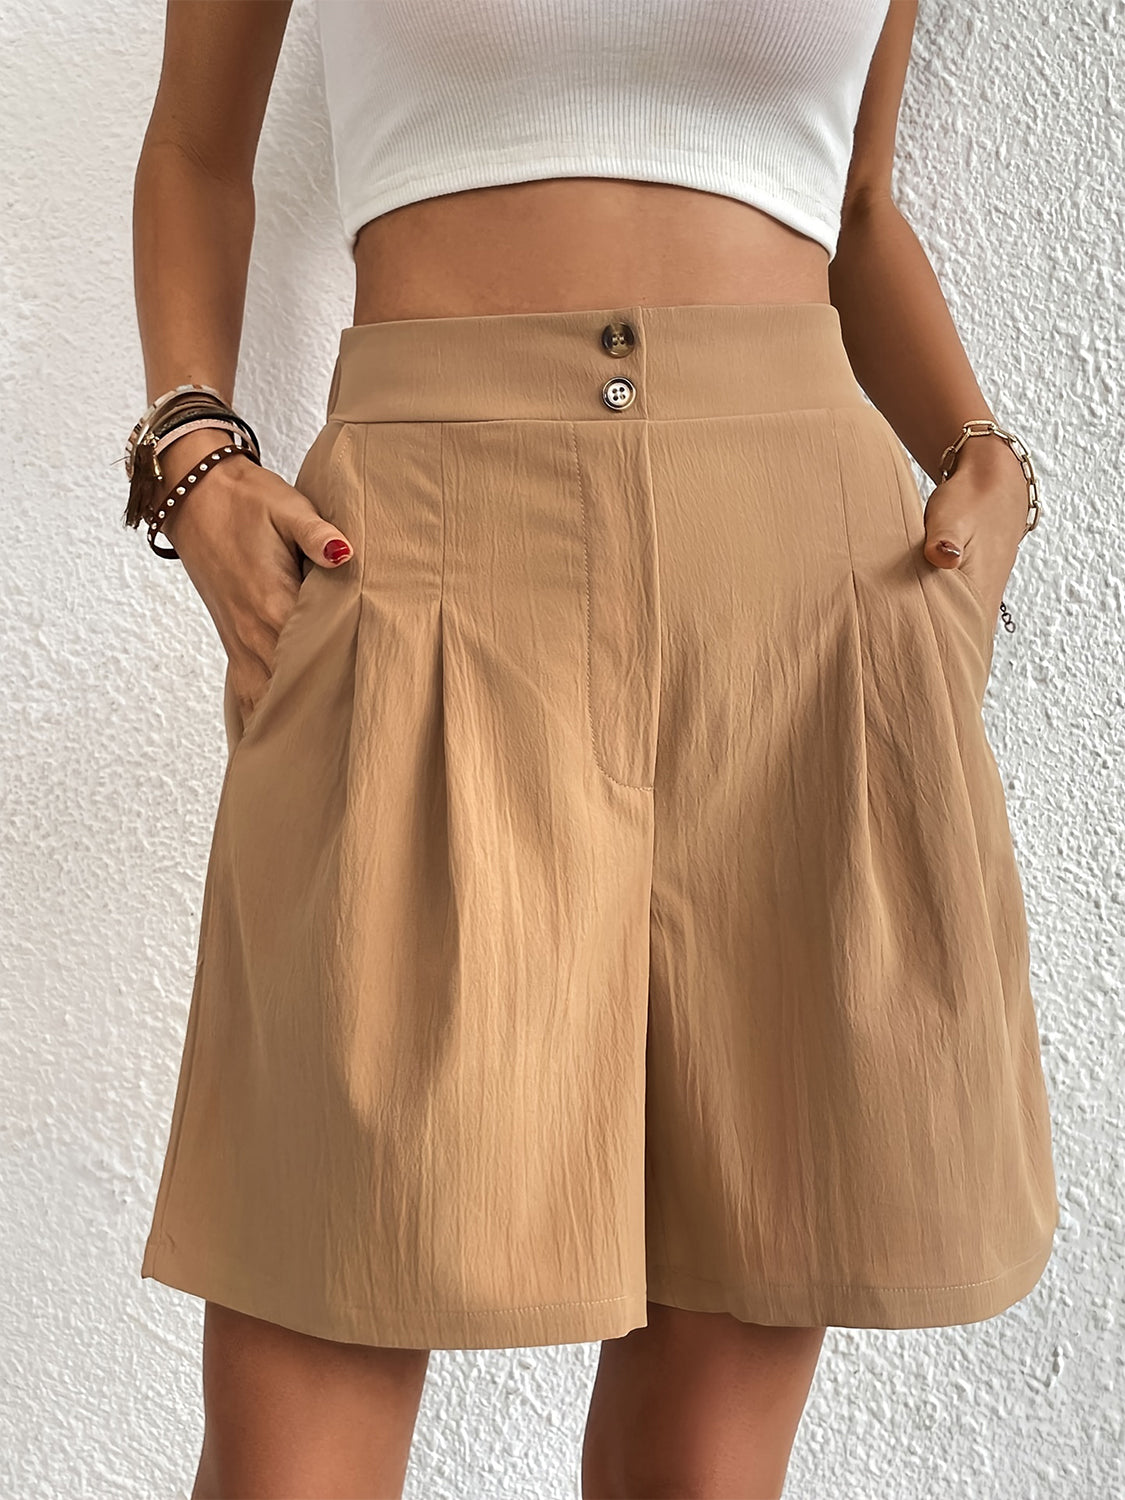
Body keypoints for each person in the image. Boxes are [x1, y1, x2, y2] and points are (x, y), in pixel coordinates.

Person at [128, 2, 1059, 1496]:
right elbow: (191, 147)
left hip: (796, 588)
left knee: (704, 1457)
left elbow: (858, 205)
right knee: (300, 1408)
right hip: (424, 549)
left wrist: (982, 455)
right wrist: (193, 451)